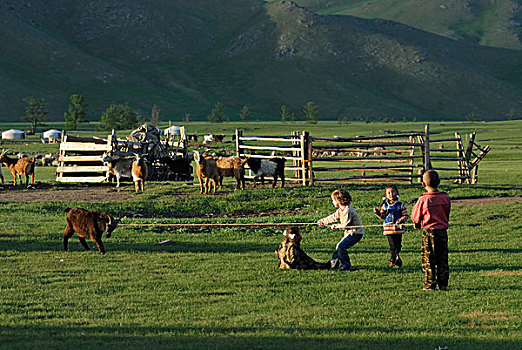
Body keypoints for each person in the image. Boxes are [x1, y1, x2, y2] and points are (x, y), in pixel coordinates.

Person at [411, 170, 451, 291]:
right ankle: (443, 283)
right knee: (442, 258)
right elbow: (446, 213)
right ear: (439, 182)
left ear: (423, 184)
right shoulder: (445, 197)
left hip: (429, 232)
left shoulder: (424, 199)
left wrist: (417, 223)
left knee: (428, 259)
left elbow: (415, 216)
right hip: (442, 231)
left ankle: (429, 284)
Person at [317, 189, 364, 271]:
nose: (332, 202)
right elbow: (333, 217)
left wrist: (336, 226)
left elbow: (346, 225)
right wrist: (323, 221)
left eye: (333, 200)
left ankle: (346, 265)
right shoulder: (340, 210)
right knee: (338, 247)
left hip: (356, 233)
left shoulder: (348, 210)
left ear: (338, 200)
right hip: (349, 233)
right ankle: (333, 263)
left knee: (341, 247)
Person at [373, 185, 409, 268]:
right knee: (392, 245)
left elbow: (406, 215)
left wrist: (401, 220)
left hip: (398, 229)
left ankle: (395, 257)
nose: (391, 194)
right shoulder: (384, 206)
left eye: (393, 192)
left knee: (398, 245)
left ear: (397, 193)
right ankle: (394, 260)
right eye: (388, 193)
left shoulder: (401, 205)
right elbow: (383, 217)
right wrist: (377, 213)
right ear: (386, 195)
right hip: (388, 229)